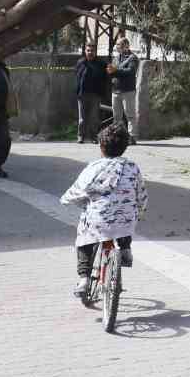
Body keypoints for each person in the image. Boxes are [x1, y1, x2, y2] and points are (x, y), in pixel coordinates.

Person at [61, 122, 146, 299]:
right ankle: (125, 249)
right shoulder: (132, 167)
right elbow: (141, 194)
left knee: (85, 236)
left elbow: (78, 190)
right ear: (125, 147)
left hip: (99, 221)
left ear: (101, 147)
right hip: (126, 220)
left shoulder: (94, 167)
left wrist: (67, 199)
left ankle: (84, 279)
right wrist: (141, 209)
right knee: (124, 217)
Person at [106, 39, 140, 142]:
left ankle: (132, 137)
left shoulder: (132, 58)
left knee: (130, 115)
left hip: (127, 91)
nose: (117, 46)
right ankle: (118, 136)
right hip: (116, 90)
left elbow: (130, 71)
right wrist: (110, 71)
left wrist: (116, 70)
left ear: (126, 45)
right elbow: (113, 72)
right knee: (116, 116)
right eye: (116, 44)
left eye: (119, 44)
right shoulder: (116, 58)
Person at [74, 44, 108, 144]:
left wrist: (102, 92)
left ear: (95, 52)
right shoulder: (81, 62)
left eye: (92, 51)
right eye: (88, 50)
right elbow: (77, 76)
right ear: (85, 51)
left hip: (95, 95)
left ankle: (94, 137)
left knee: (94, 118)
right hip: (82, 94)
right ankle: (80, 136)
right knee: (82, 119)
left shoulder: (101, 64)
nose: (90, 52)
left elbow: (105, 78)